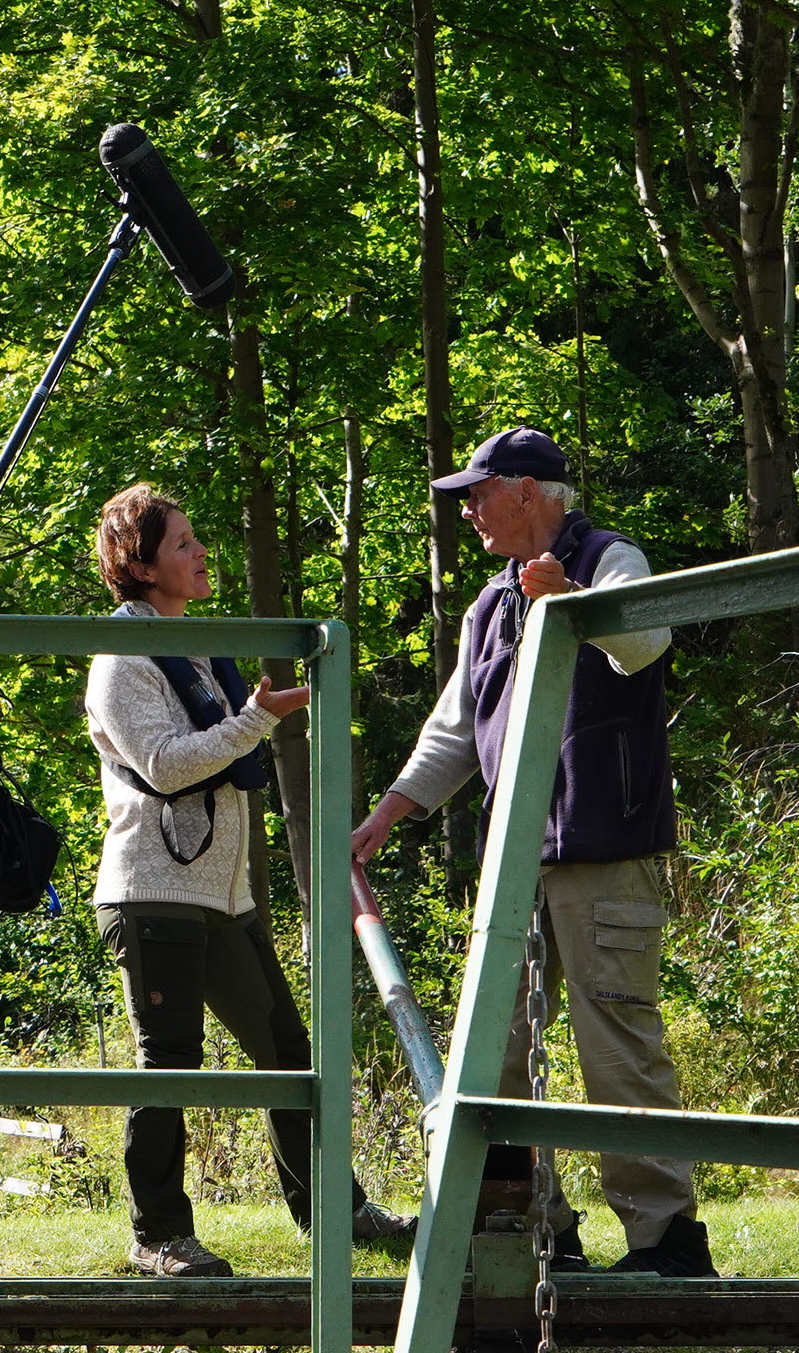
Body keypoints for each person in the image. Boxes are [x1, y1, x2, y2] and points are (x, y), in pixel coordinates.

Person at [350, 427, 715, 1278]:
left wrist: (572, 600)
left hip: (603, 852)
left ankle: (666, 1242)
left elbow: (644, 644)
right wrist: (385, 816)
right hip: (514, 865)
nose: (468, 510)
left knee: (616, 1046)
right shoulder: (488, 603)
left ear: (526, 492)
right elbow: (451, 731)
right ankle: (533, 1230)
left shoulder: (613, 558)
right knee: (498, 1052)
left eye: (477, 493)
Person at [85, 484, 411, 1279]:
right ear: (140, 562)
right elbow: (164, 764)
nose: (202, 554)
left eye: (198, 538)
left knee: (288, 1053)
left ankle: (336, 1210)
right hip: (151, 892)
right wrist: (260, 718)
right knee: (169, 1062)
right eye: (184, 544)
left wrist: (259, 714)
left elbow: (222, 748)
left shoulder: (198, 643)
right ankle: (158, 1237)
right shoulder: (121, 657)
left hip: (222, 897)